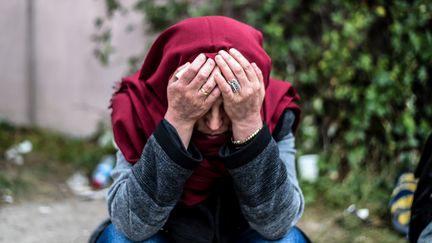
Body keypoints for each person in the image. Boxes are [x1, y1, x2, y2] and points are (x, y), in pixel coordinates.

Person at [95, 16, 309, 243]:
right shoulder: (140, 110)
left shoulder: (274, 109)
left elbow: (278, 224)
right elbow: (131, 226)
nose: (215, 125)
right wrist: (178, 120)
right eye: (204, 110)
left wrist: (247, 121)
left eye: (226, 109)